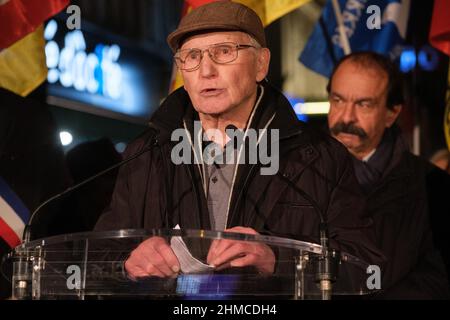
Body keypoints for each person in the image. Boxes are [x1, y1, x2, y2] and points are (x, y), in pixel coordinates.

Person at [95, 2, 382, 284]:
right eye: (192, 56)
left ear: (261, 64)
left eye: (224, 52)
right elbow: (97, 256)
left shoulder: (319, 157)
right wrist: (126, 263)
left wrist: (278, 258)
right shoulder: (147, 152)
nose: (206, 70)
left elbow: (367, 269)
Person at [326, 51, 449, 299]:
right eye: (338, 100)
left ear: (391, 114)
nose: (346, 117)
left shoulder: (433, 186)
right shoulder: (295, 177)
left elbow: (438, 278)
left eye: (363, 104)